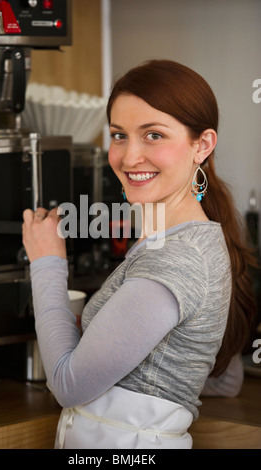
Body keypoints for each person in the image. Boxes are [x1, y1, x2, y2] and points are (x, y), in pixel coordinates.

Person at [22, 60, 256, 449]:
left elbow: (67, 385)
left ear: (203, 144)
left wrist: (47, 263)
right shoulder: (189, 241)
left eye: (153, 135)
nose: (129, 157)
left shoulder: (176, 259)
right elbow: (220, 378)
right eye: (118, 135)